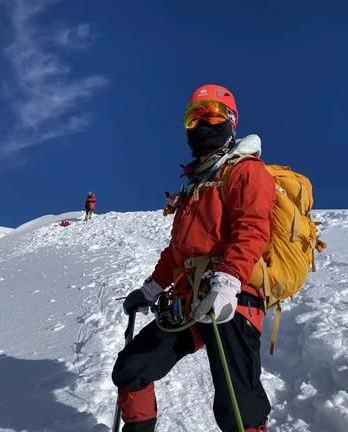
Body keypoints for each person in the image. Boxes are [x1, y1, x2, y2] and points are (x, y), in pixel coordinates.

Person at [112, 84, 275, 432]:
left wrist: (229, 281)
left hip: (234, 296)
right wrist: (151, 289)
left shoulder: (245, 171)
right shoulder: (195, 187)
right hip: (189, 301)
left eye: (212, 115)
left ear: (231, 121)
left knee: (238, 405)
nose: (202, 125)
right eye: (193, 118)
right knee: (131, 369)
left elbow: (253, 229)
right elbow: (178, 252)